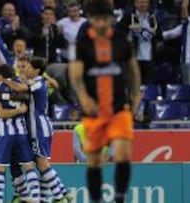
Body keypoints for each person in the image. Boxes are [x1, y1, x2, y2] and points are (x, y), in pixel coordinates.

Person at [69, 0, 141, 203]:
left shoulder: (121, 41)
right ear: (91, 20)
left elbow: (133, 69)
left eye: (105, 19)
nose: (101, 24)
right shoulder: (83, 43)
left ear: (111, 19)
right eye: (97, 19)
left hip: (119, 107)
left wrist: (136, 96)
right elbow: (75, 73)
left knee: (123, 153)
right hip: (93, 110)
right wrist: (83, 98)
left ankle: (119, 198)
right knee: (93, 160)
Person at [4, 57, 72, 203]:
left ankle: (61, 197)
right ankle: (61, 194)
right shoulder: (35, 82)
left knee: (42, 164)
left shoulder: (39, 82)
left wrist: (2, 80)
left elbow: (21, 88)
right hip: (38, 127)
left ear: (36, 71)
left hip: (39, 128)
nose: (26, 70)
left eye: (29, 67)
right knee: (40, 164)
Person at [0, 65, 40, 203]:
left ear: (1, 75)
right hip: (21, 134)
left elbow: (0, 113)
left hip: (5, 135)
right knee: (29, 166)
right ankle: (36, 198)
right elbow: (29, 93)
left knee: (0, 169)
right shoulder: (21, 86)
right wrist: (19, 110)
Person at [117, 0, 163, 84]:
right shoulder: (128, 18)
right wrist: (129, 30)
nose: (143, 4)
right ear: (135, 3)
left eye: (146, 2)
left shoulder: (153, 19)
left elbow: (160, 37)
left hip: (149, 59)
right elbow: (117, 34)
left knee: (148, 88)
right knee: (133, 86)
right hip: (133, 59)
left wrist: (155, 35)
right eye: (141, 2)